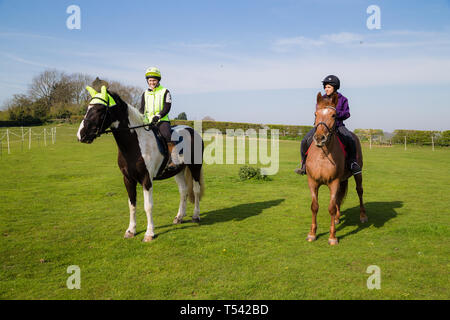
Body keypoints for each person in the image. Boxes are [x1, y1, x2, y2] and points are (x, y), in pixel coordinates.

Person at [294, 75, 362, 176]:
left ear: (335, 87)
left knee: (351, 139)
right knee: (304, 140)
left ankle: (352, 163)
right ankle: (304, 165)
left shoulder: (343, 99)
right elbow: (317, 112)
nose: (326, 89)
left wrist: (335, 113)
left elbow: (347, 113)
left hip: (338, 125)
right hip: (322, 127)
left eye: (329, 87)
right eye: (325, 87)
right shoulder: (321, 99)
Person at [139, 66, 178, 169]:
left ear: (158, 80)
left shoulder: (165, 91)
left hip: (161, 120)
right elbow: (142, 108)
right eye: (150, 80)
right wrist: (140, 118)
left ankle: (173, 159)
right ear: (147, 81)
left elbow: (167, 106)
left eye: (154, 80)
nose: (152, 82)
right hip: (148, 121)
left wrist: (159, 115)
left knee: (166, 134)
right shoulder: (145, 93)